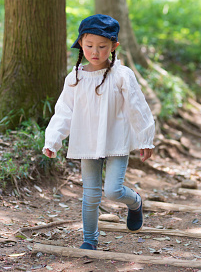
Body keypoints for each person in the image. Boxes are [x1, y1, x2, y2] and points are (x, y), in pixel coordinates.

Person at [42, 14, 155, 251]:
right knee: (91, 195)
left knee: (113, 191)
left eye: (102, 46)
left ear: (114, 46)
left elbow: (138, 106)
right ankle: (89, 240)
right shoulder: (75, 78)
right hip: (87, 141)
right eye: (89, 45)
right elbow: (64, 111)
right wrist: (53, 140)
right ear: (80, 44)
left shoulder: (122, 75)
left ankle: (135, 203)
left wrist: (146, 139)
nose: (95, 52)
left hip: (116, 140)